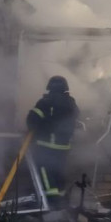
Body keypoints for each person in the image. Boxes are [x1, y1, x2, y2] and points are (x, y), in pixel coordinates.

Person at [26, 76, 79, 204]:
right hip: (64, 146)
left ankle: (51, 201)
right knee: (58, 172)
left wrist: (37, 129)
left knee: (45, 171)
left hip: (46, 145)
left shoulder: (45, 102)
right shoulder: (71, 103)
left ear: (49, 87)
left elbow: (32, 120)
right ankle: (61, 199)